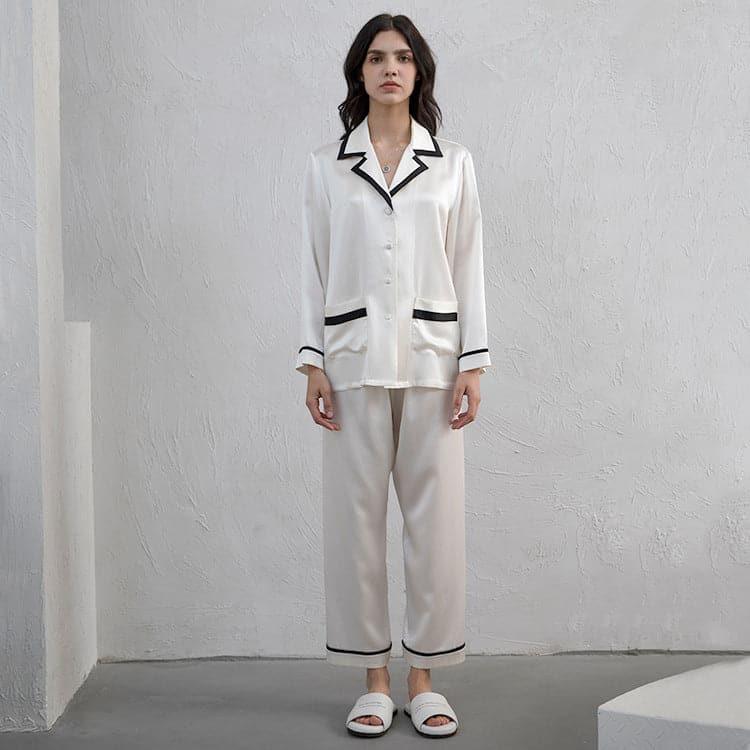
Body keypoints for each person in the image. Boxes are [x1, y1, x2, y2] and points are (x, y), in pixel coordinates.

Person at [294, 12, 491, 739]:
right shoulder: (327, 165)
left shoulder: (453, 164)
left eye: (403, 58)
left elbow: (468, 263)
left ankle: (425, 678)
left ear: (419, 72)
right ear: (360, 71)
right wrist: (311, 359)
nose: (390, 69)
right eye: (377, 58)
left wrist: (474, 362)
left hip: (435, 363)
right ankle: (374, 680)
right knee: (356, 525)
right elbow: (312, 266)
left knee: (435, 526)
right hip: (351, 362)